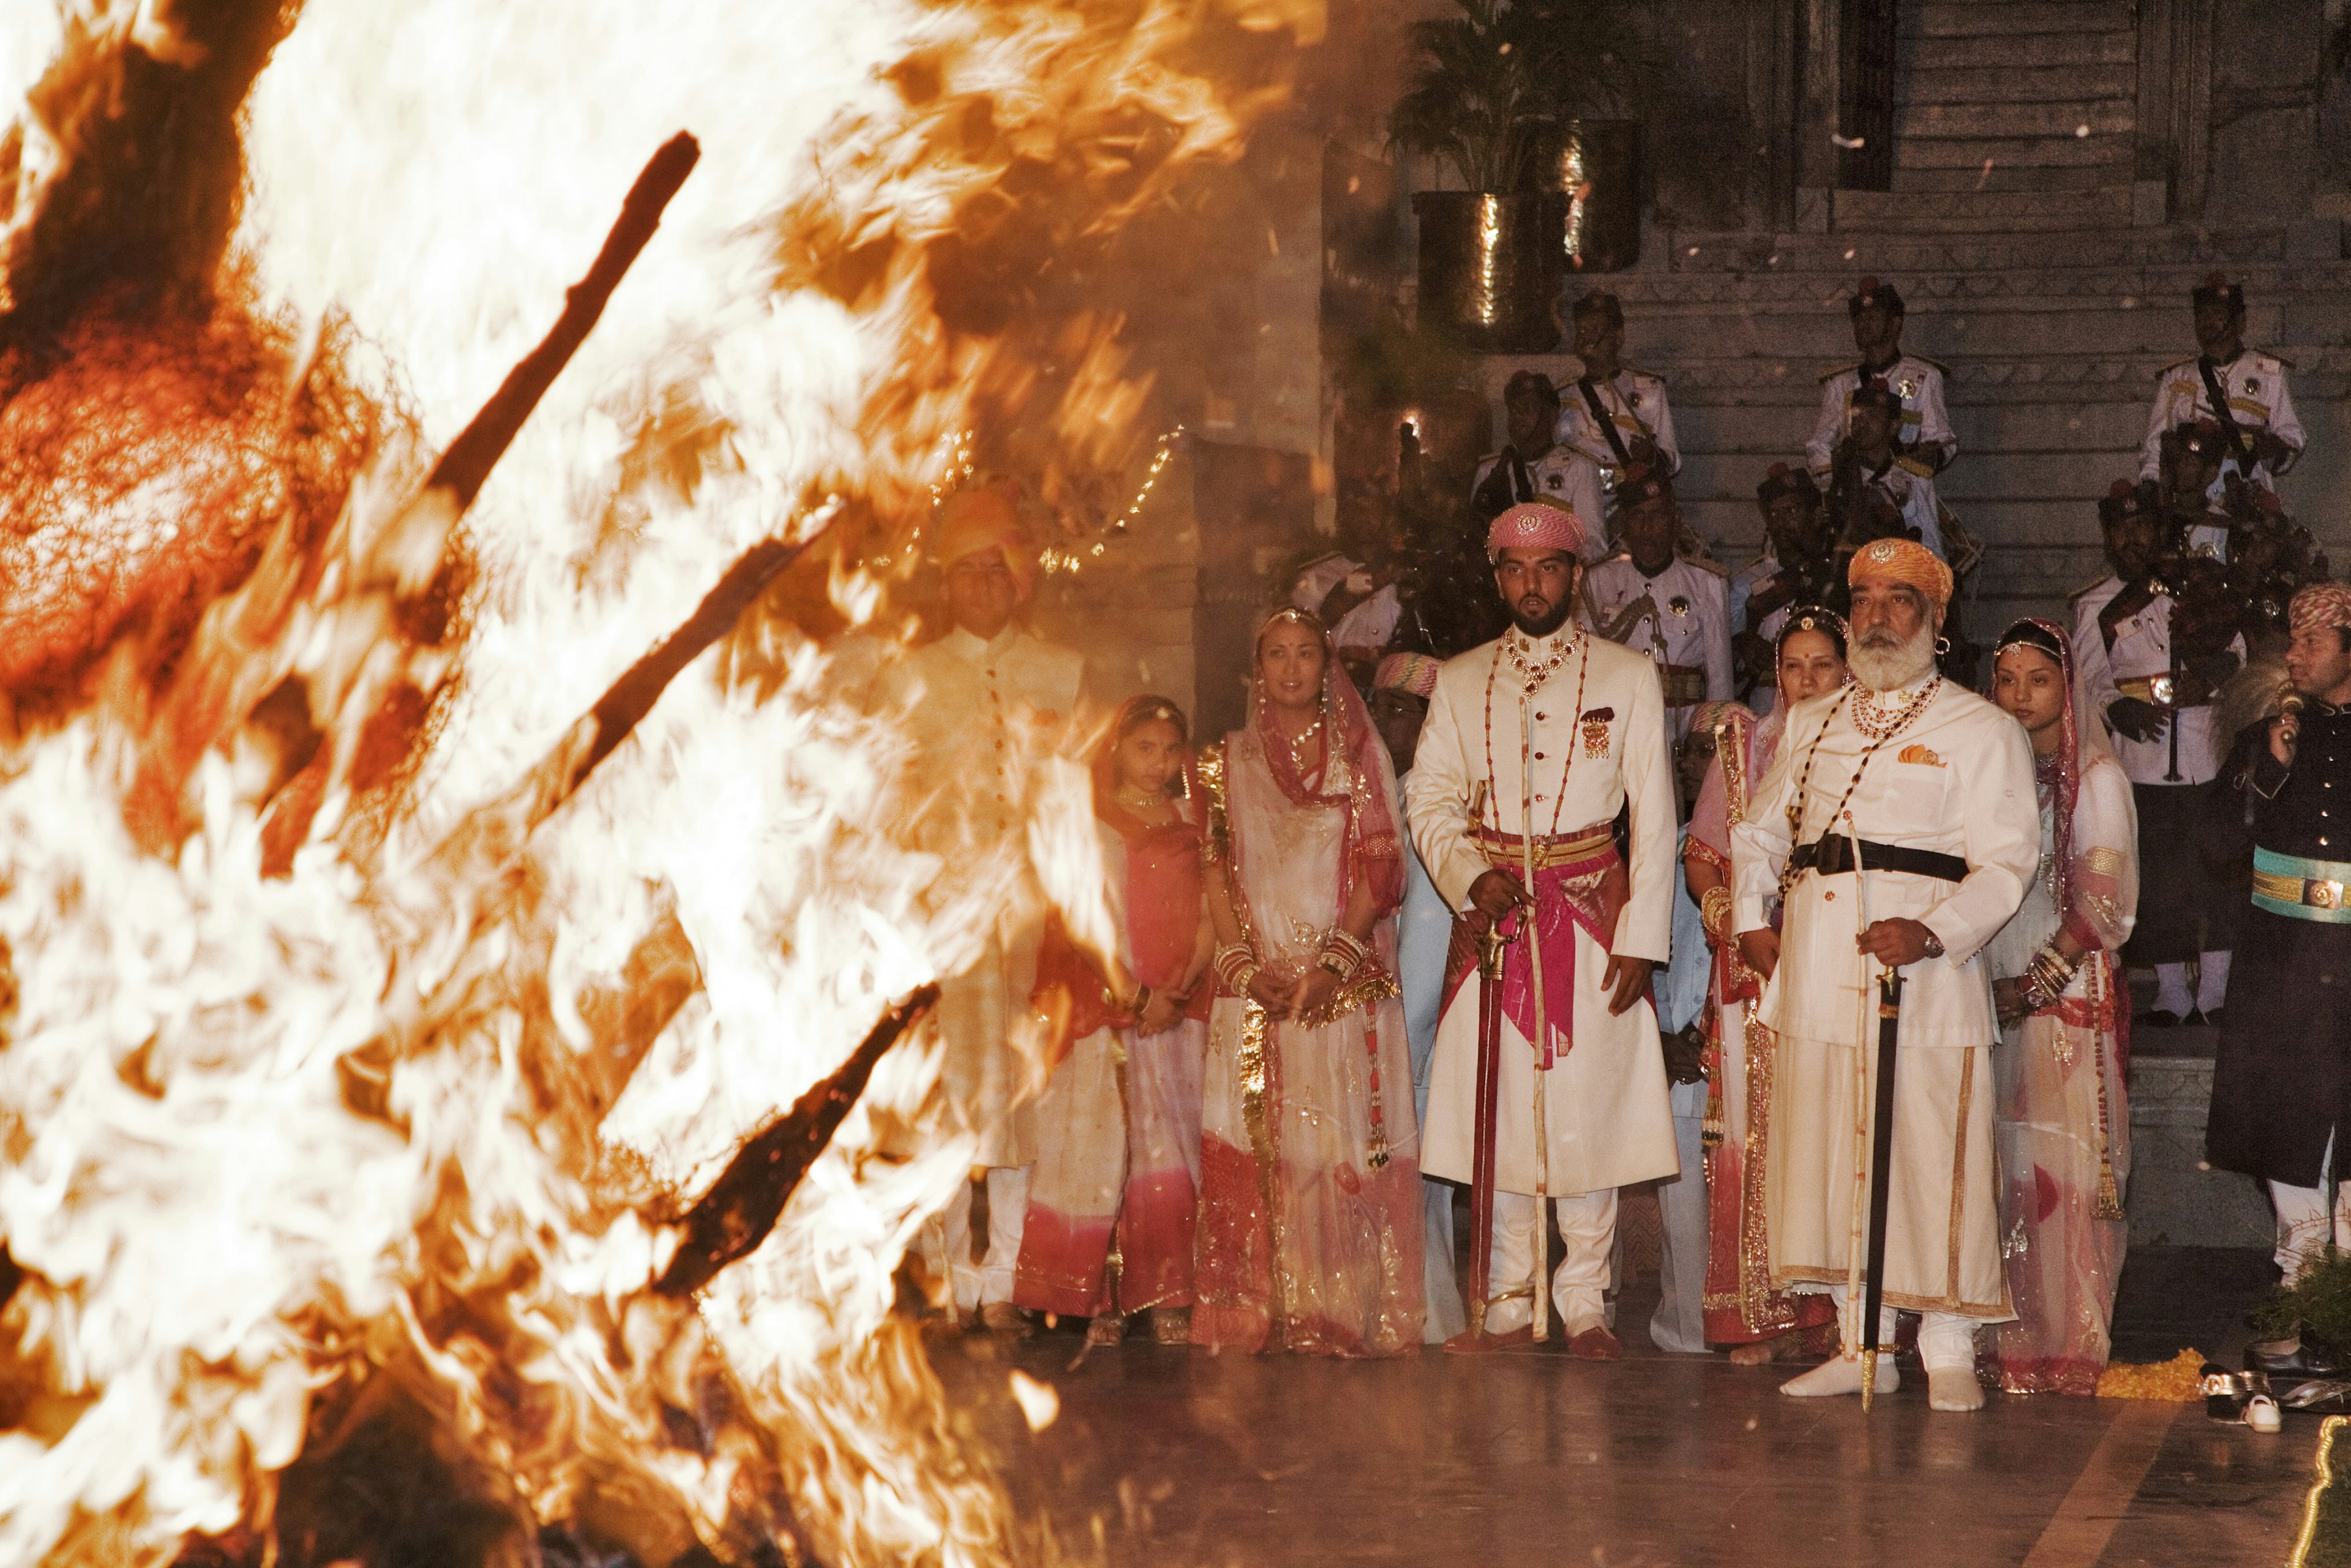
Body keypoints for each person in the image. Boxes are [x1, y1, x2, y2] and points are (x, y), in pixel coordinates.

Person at [1731, 538, 2039, 1412]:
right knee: (1832, 1148)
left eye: (1899, 598)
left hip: (1928, 978)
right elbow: (1760, 834)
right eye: (1863, 597)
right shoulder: (1809, 718)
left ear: (1935, 619)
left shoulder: (1984, 729)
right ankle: (1861, 1340)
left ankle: (1945, 1345)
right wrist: (1754, 920)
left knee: (1925, 1152)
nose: (1876, 615)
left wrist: (1936, 931)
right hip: (1821, 967)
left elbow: (2010, 863)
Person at [1407, 498, 1678, 1358]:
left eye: (1549, 569)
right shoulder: (1460, 678)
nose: (1533, 585)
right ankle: (1507, 1300)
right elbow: (1430, 800)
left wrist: (1643, 939)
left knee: (1586, 1107)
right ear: (1497, 579)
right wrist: (1467, 876)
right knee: (1503, 1113)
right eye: (1516, 570)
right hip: (1496, 917)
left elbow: (1658, 818)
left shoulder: (1627, 674)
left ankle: (1585, 1300)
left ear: (1575, 576)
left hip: (1594, 912)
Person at [874, 483, 1089, 1332]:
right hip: (939, 915)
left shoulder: (1060, 671)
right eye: (966, 572)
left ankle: (1003, 1282)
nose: (983, 586)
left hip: (1029, 915)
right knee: (941, 1100)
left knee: (1018, 1098)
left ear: (1020, 579)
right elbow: (888, 796)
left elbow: (1072, 797)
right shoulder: (913, 677)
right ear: (946, 584)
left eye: (997, 570)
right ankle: (943, 1282)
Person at [1193, 607, 1425, 1354]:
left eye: (1306, 654)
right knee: (1255, 1137)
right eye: (1276, 655)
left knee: (1334, 1147)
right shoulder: (1220, 760)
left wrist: (1333, 963)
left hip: (1339, 986)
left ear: (1327, 667)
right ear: (1255, 668)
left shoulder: (1356, 757)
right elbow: (1213, 869)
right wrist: (1239, 964)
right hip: (1255, 985)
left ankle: (1335, 1311)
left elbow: (1380, 868)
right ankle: (1251, 1309)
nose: (1291, 668)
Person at [1014, 696, 1213, 1346]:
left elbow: (1214, 905)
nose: (1158, 763)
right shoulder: (1090, 821)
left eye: (1169, 749)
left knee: (1169, 1149)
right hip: (1106, 1004)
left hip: (1177, 1011)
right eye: (1144, 748)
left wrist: (1177, 991)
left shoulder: (1196, 816)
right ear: (1117, 750)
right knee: (1097, 1146)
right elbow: (1081, 918)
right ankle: (1091, 1296)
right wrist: (1132, 993)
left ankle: (1164, 1292)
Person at [1685, 609, 1850, 1363]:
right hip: (1755, 970)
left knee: (1832, 1136)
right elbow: (1703, 855)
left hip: (1840, 968)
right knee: (1757, 1141)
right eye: (1794, 665)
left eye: (1823, 664)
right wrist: (1736, 925)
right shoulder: (1743, 746)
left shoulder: (1863, 745)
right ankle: (1762, 1316)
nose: (1809, 680)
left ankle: (1839, 1320)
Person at [1981, 620, 2138, 1395]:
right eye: (2005, 679)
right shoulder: (1990, 774)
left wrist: (2032, 987)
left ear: (2067, 687)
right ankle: (2002, 1339)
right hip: (1994, 992)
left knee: (2060, 1172)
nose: (2018, 696)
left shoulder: (2097, 777)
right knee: (2001, 1168)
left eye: (2036, 680)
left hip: (2062, 993)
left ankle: (2065, 1343)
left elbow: (2104, 904)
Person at [2205, 583, 2351, 1281]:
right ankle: (2302, 1273)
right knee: (2285, 1111)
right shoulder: (2265, 738)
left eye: (2312, 643)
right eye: (2291, 641)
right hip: (2282, 959)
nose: (2292, 655)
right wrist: (2270, 769)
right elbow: (2216, 848)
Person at [2072, 479, 2241, 1026]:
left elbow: (2238, 649)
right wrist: (2117, 707)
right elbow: (2085, 677)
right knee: (2160, 877)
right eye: (2121, 528)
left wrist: (2210, 683)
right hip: (2143, 756)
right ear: (2106, 536)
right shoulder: (2098, 604)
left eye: (2142, 525)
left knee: (2215, 869)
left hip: (2204, 748)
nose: (2133, 538)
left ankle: (2214, 987)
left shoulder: (2198, 585)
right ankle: (2171, 990)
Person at [1378, 649, 1472, 1343]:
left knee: (1418, 1150)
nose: (1388, 723)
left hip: (1424, 998)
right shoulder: (1378, 789)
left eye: (1404, 711)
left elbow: (1435, 921)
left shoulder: (1446, 798)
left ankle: (1427, 1306)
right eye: (1380, 707)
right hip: (1382, 996)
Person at [1580, 465, 1734, 749]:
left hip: (1683, 734)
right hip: (1618, 732)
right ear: (1624, 522)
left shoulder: (1706, 583)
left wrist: (1709, 746)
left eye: (1657, 515)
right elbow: (1583, 668)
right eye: (1638, 515)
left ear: (1674, 520)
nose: (1647, 527)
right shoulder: (1598, 581)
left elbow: (1720, 678)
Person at [2139, 273, 2304, 491]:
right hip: (2193, 494)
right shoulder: (2178, 376)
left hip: (2247, 491)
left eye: (2217, 314)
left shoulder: (2268, 372)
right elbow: (2157, 442)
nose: (2207, 322)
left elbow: (2292, 436)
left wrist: (2273, 448)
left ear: (2240, 322)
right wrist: (2151, 484)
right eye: (2201, 315)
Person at [1553, 290, 1679, 549]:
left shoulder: (1647, 388)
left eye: (1596, 328)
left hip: (1633, 511)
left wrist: (1651, 456)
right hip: (1580, 511)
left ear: (1618, 336)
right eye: (1582, 329)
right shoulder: (1562, 396)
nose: (1588, 336)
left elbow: (1672, 460)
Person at [1807, 277, 1956, 486]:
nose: (1864, 324)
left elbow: (1941, 439)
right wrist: (1843, 481)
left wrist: (1921, 461)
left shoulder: (1923, 376)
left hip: (1908, 495)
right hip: (1857, 492)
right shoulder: (1841, 384)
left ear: (1895, 324)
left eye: (1873, 317)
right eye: (1859, 319)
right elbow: (1819, 445)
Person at [1732, 463, 1842, 715]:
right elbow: (1724, 658)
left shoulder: (1838, 577)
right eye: (1773, 515)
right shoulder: (1745, 583)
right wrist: (1745, 643)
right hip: (1766, 711)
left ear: (1816, 515)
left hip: (1828, 707)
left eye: (1791, 510)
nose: (1782, 523)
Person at [1472, 371, 1599, 561]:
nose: (1517, 417)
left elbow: (1593, 547)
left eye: (1527, 408)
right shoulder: (1491, 471)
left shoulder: (1579, 469)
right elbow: (1476, 540)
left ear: (1552, 415)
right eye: (1513, 410)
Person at [1827, 384, 1948, 561]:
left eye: (1873, 417)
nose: (1862, 424)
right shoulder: (1838, 475)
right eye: (1857, 416)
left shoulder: (1912, 477)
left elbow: (1930, 545)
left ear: (1894, 426)